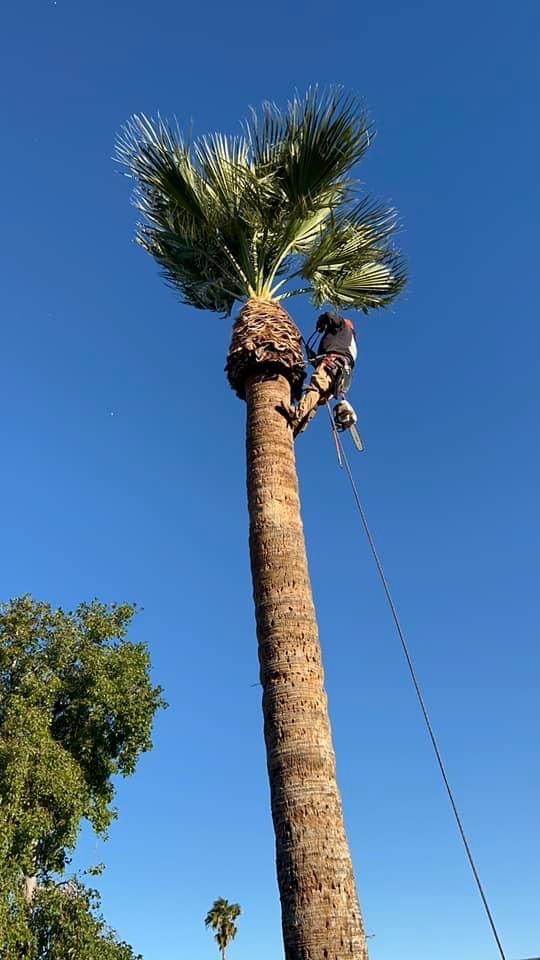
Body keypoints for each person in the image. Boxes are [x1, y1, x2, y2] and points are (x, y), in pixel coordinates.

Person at [289, 311, 357, 436]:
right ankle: (295, 429)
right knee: (315, 400)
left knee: (315, 390)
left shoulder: (343, 326)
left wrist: (321, 324)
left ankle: (297, 415)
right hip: (338, 377)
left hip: (331, 365)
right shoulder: (349, 344)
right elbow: (337, 353)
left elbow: (330, 316)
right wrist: (314, 357)